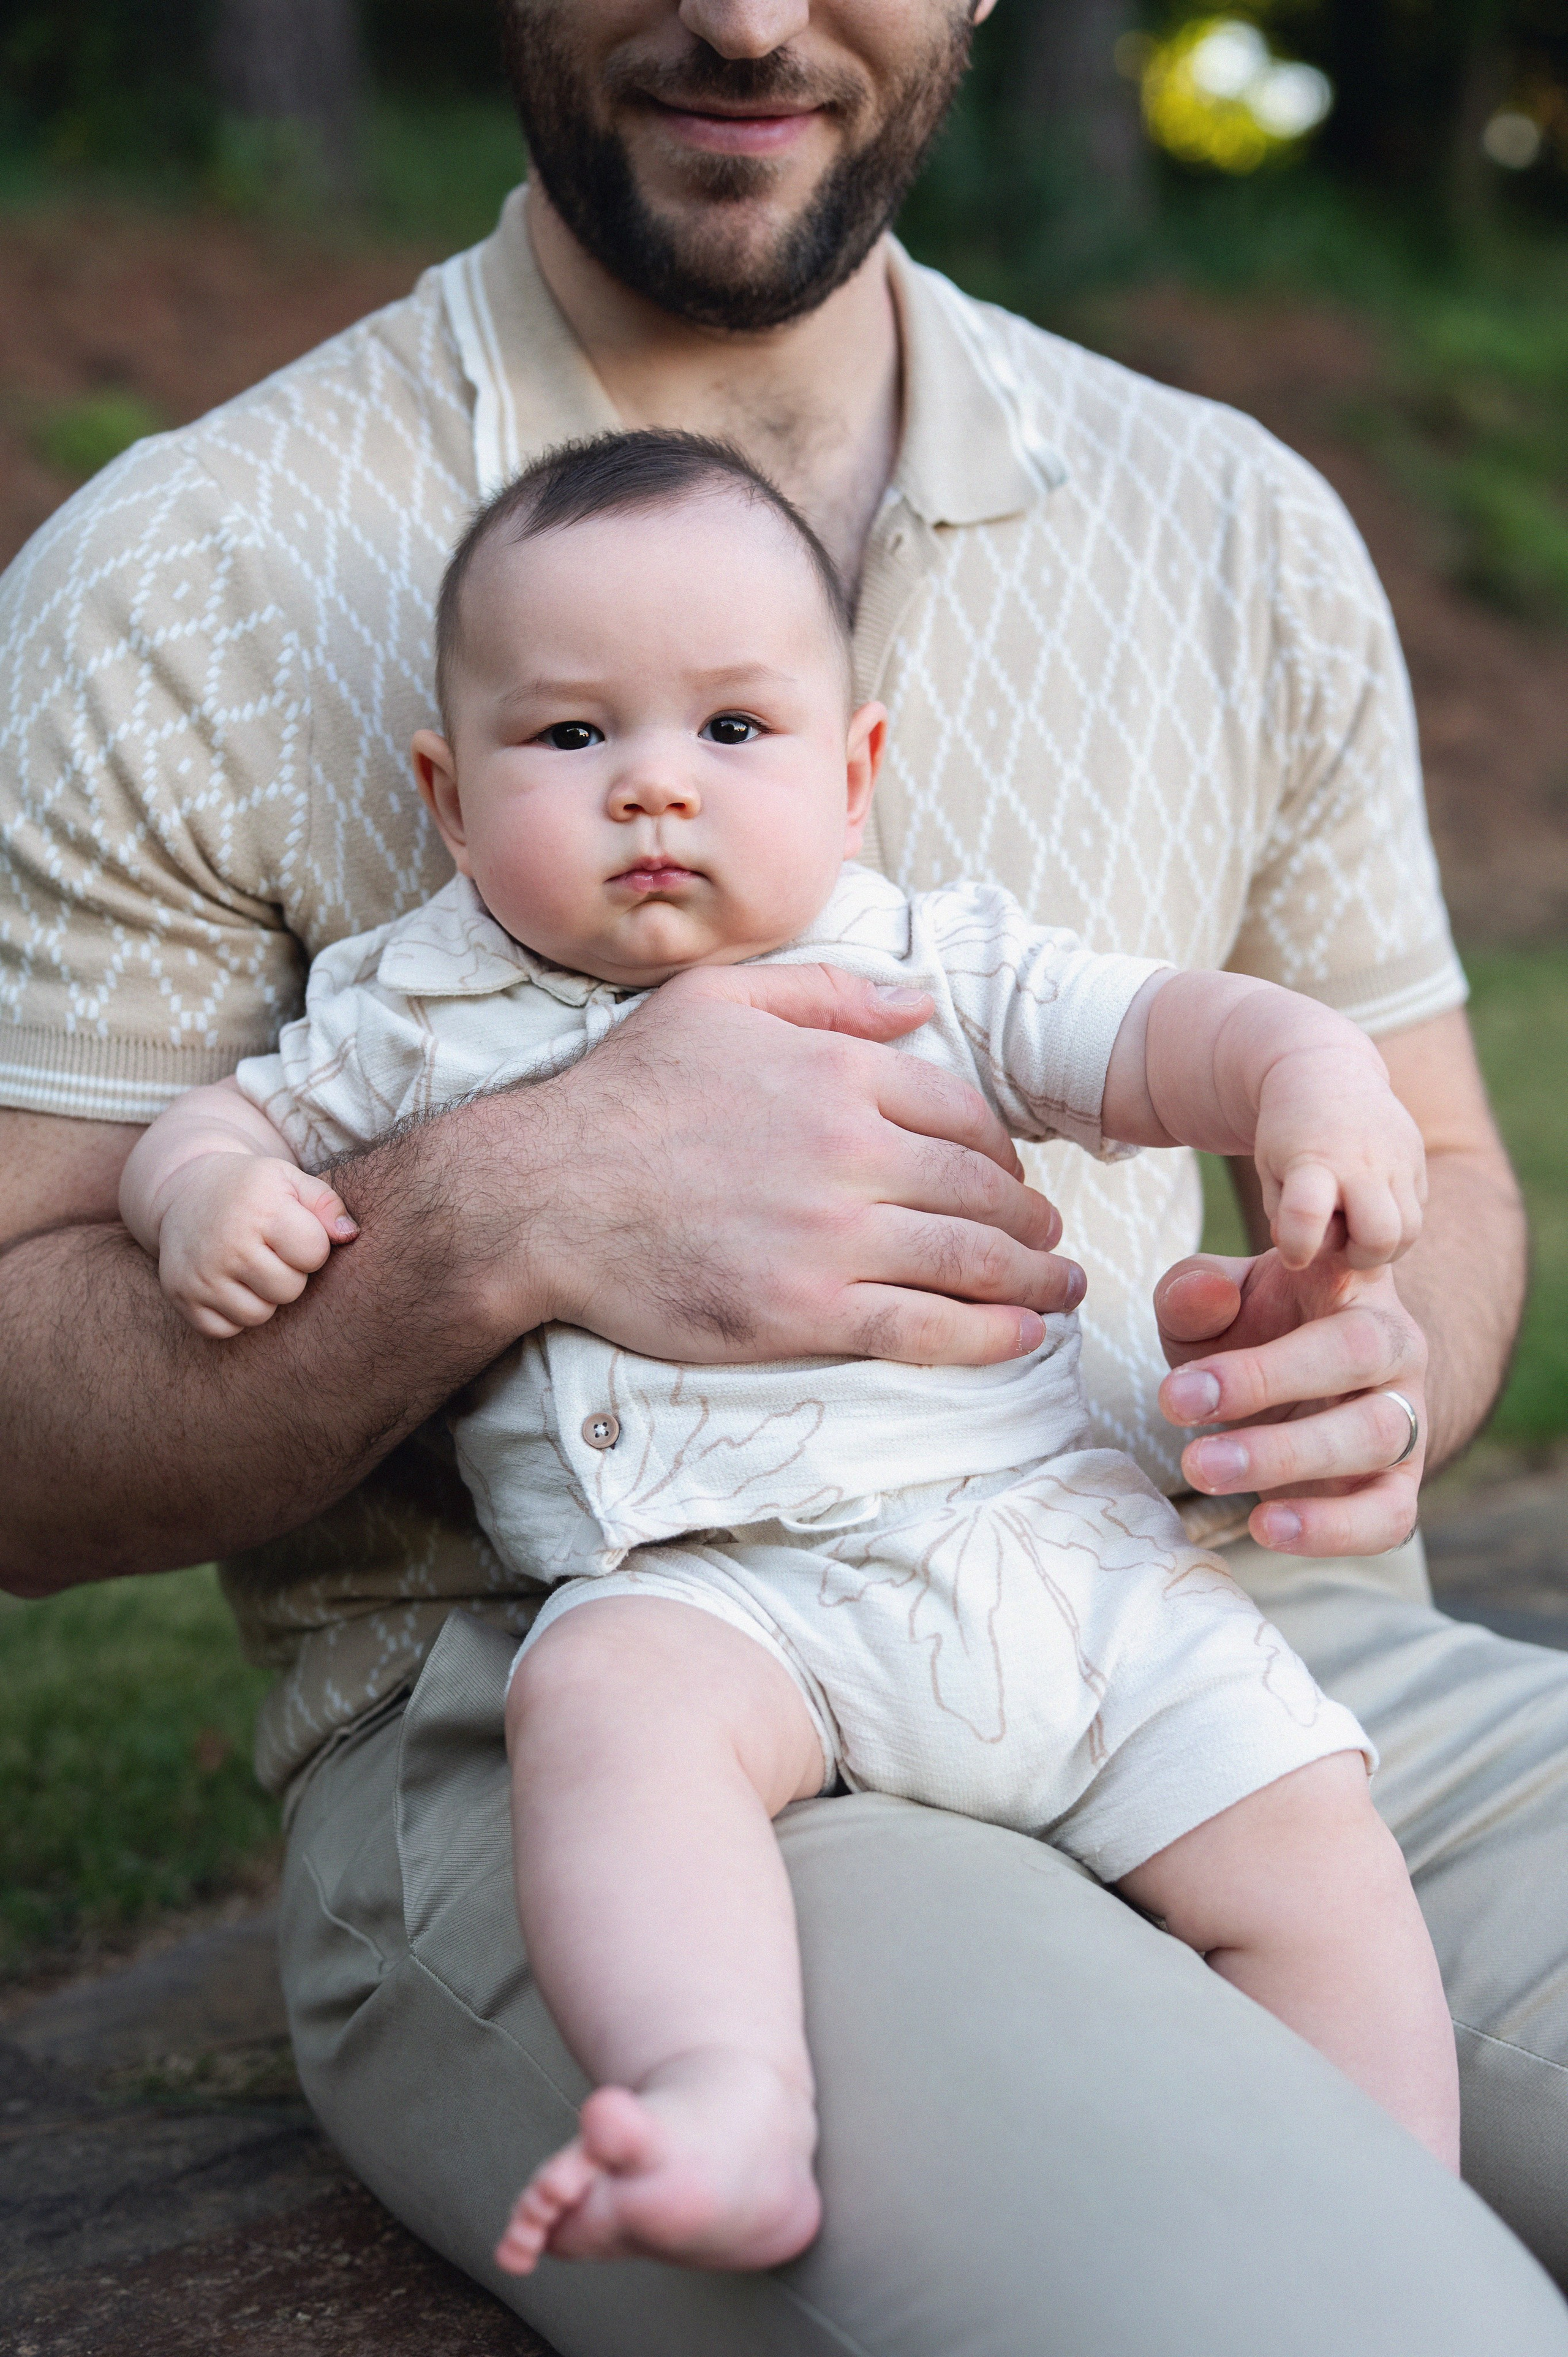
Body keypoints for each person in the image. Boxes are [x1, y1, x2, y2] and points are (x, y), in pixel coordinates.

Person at [1, 3, 1563, 2350]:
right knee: (1355, 2323)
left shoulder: (1231, 520)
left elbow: (1421, 1145)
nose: (747, 10)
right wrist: (515, 1206)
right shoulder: (193, 571)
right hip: (624, 1698)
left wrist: (1374, 1350)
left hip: (1202, 1622)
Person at [118, 428, 1458, 2268]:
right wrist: (205, 1198)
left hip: (1064, 1568)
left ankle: (1396, 2207)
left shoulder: (930, 965)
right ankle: (714, 2088)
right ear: (446, 794)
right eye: (573, 737)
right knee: (596, 1709)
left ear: (857, 769)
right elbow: (218, 1127)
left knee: (1316, 1846)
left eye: (731, 733)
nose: (653, 791)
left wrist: (1306, 1074)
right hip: (729, 1604)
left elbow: (1158, 1033)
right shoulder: (414, 1016)